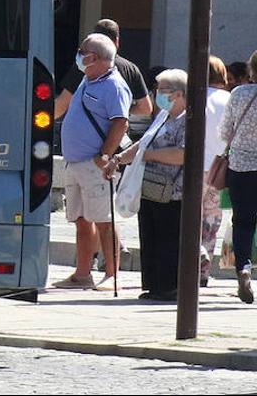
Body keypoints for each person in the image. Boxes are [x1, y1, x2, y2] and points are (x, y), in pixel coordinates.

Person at [53, 19, 150, 271]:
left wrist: (105, 154)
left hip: (95, 163)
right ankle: (82, 274)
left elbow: (121, 122)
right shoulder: (88, 77)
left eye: (82, 52)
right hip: (76, 162)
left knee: (104, 220)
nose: (78, 56)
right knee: (82, 220)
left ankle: (110, 272)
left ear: (94, 57)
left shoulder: (114, 83)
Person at [113, 69, 188, 301]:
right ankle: (153, 285)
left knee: (168, 238)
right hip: (149, 187)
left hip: (173, 191)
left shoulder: (188, 119)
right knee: (150, 235)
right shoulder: (163, 115)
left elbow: (182, 154)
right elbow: (143, 144)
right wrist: (118, 159)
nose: (158, 95)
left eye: (163, 91)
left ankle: (168, 286)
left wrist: (148, 156)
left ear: (179, 94)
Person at [218, 51, 257, 304]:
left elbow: (225, 131)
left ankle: (243, 267)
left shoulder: (239, 94)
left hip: (241, 167)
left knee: (242, 221)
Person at [201, 56, 233, 286]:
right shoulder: (229, 100)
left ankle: (192, 253)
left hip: (191, 168)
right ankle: (202, 270)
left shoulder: (193, 97)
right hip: (219, 170)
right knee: (211, 221)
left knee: (189, 217)